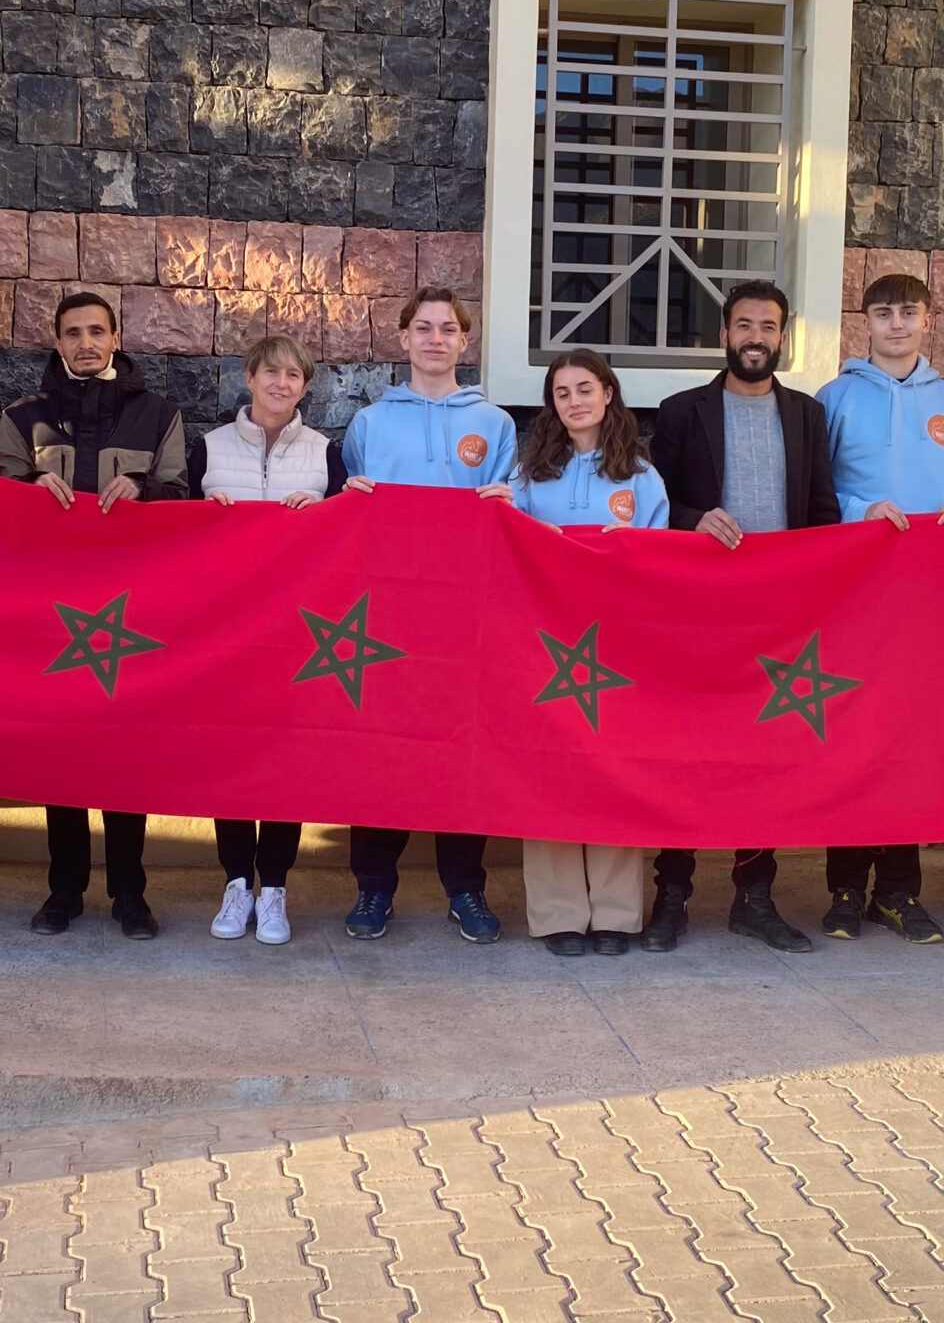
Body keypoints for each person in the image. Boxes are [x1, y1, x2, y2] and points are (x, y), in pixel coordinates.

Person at [644, 278, 841, 954]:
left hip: (781, 613)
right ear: (725, 334)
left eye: (769, 327)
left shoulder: (808, 415)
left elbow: (823, 511)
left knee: (765, 754)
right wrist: (694, 520)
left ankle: (754, 897)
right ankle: (672, 893)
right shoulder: (681, 411)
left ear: (783, 337)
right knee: (686, 749)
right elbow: (654, 505)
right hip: (698, 611)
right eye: (745, 325)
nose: (757, 338)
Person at [0, 291, 191, 939]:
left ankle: (130, 894)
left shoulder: (159, 415)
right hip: (50, 610)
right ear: (57, 342)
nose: (85, 343)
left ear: (115, 338)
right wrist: (28, 489)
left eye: (96, 331)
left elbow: (181, 496)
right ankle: (64, 890)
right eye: (73, 333)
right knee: (61, 753)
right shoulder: (22, 417)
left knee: (126, 755)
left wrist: (145, 489)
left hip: (132, 610)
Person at [335, 288, 516, 946]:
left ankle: (464, 888)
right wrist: (348, 498)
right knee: (380, 749)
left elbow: (508, 516)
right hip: (385, 612)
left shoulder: (495, 424)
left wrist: (508, 502)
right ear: (404, 338)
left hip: (466, 613)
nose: (435, 339)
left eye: (448, 329)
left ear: (464, 342)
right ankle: (374, 886)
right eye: (423, 328)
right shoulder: (369, 424)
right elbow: (348, 517)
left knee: (464, 748)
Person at [478, 349, 667, 956]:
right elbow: (508, 550)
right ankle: (558, 912)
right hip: (546, 648)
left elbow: (663, 560)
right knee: (551, 772)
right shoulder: (529, 474)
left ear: (608, 394)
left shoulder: (641, 475)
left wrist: (630, 551)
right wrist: (500, 511)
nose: (574, 401)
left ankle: (616, 913)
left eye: (585, 388)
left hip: (618, 646)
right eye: (561, 393)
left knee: (614, 773)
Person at [813, 273, 944, 947]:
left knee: (910, 740)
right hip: (853, 590)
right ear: (867, 323)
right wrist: (860, 511)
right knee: (854, 735)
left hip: (923, 598)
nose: (897, 324)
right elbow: (816, 491)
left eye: (908, 312)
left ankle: (900, 891)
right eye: (883, 314)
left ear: (928, 321)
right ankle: (846, 888)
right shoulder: (835, 398)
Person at [194, 334, 350, 945]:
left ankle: (275, 888)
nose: (281, 384)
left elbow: (351, 534)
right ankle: (236, 884)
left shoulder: (325, 452)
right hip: (227, 632)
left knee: (286, 761)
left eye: (293, 375)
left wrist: (327, 508)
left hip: (298, 635)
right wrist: (206, 513)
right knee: (229, 757)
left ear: (305, 387)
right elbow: (174, 535)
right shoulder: (209, 447)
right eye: (271, 372)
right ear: (249, 377)